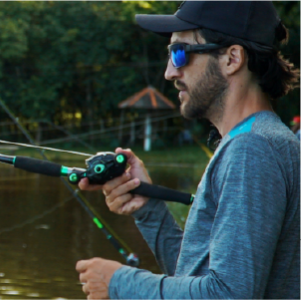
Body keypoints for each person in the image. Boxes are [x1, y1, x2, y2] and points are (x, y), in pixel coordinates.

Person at [75, 0, 301, 299]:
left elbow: (229, 294)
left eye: (179, 53)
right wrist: (149, 210)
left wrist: (119, 282)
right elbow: (199, 275)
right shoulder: (254, 140)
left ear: (232, 59)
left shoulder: (252, 149)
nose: (170, 71)